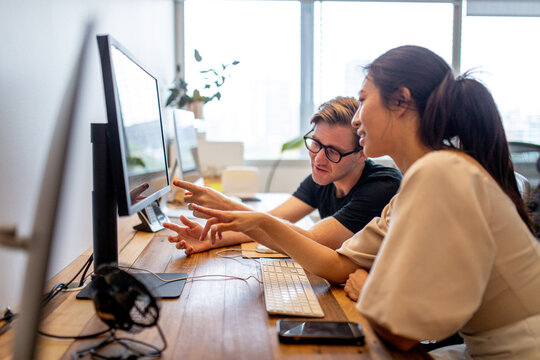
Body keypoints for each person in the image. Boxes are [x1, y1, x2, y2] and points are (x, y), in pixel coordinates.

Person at [190, 45, 540, 358]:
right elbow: (339, 265)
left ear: (400, 101)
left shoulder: (441, 172)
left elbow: (402, 332)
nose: (356, 118)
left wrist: (368, 288)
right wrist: (260, 223)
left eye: (363, 100)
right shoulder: (422, 180)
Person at [163, 96, 401, 254]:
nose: (318, 159)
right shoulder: (324, 177)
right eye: (315, 143)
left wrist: (226, 205)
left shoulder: (382, 187)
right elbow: (271, 220)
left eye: (333, 152)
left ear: (362, 153)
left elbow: (312, 240)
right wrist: (211, 239)